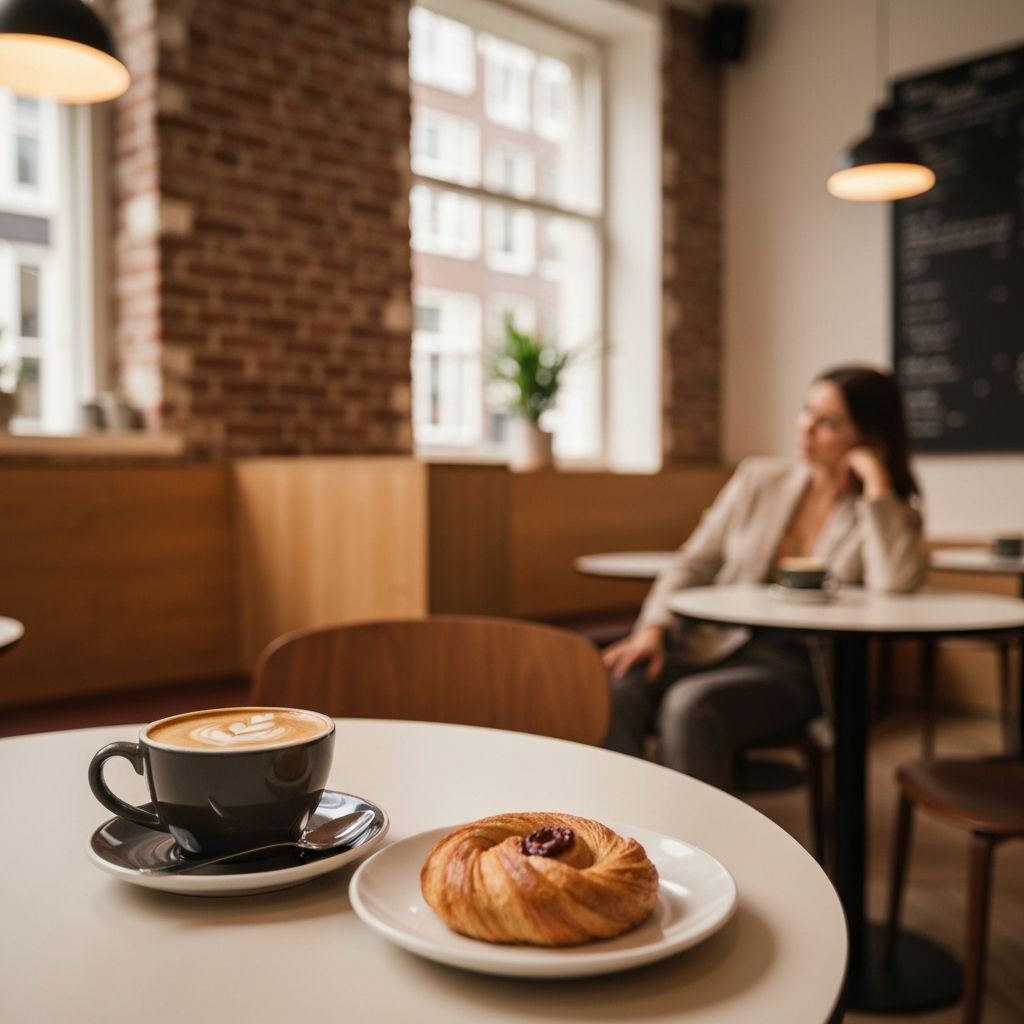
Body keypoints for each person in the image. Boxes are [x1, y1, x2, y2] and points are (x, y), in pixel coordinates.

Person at [603, 365, 927, 789]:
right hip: (713, 644)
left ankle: (698, 842)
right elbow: (693, 562)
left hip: (794, 668)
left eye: (828, 422)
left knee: (691, 706)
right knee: (623, 681)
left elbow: (896, 584)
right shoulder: (758, 479)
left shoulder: (886, 512)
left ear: (866, 437)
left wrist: (876, 480)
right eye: (806, 411)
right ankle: (621, 829)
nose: (807, 429)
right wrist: (652, 628)